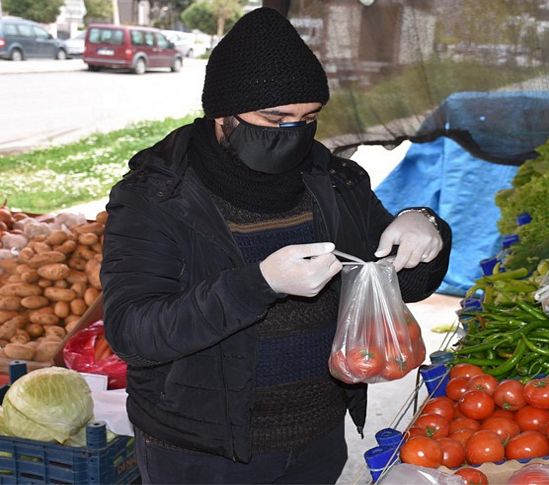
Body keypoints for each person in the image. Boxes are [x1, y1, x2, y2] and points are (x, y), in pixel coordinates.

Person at [100, 7, 451, 485]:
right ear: (222, 114)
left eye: (308, 118)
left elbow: (406, 283)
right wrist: (259, 284)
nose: (293, 133)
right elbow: (134, 333)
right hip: (201, 453)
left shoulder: (332, 180)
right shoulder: (157, 197)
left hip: (316, 440)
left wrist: (426, 227)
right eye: (275, 118)